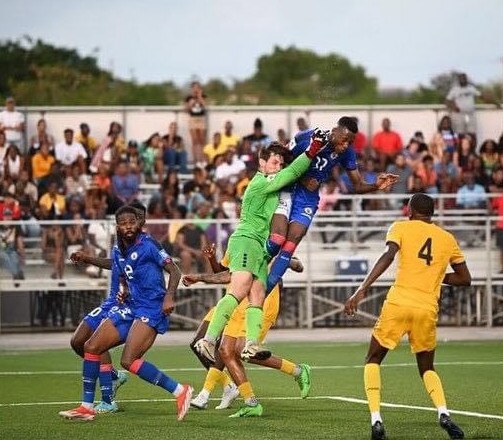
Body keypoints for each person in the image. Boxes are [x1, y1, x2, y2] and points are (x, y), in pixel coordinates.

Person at [344, 193, 471, 440]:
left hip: (399, 303)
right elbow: (465, 279)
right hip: (426, 309)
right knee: (426, 367)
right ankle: (443, 412)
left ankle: (376, 419)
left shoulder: (400, 227)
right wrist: (433, 274)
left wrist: (362, 290)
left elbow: (388, 255)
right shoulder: (447, 238)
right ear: (431, 213)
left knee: (373, 359)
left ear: (410, 211)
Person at [194, 138, 327, 368]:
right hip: (246, 241)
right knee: (237, 292)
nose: (278, 167)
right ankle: (207, 340)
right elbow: (293, 172)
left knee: (257, 297)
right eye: (274, 162)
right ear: (262, 163)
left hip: (258, 247)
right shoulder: (260, 182)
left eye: (280, 164)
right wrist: (312, 148)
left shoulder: (270, 186)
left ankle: (252, 343)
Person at [59, 205, 192, 421]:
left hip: (152, 307)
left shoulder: (148, 244)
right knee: (91, 346)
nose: (128, 226)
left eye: (131, 222)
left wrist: (169, 296)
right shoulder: (120, 249)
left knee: (128, 361)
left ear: (139, 223)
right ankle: (86, 407)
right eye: (123, 223)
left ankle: (180, 390)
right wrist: (89, 259)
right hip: (130, 306)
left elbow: (174, 270)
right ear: (118, 227)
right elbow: (117, 265)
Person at [264, 117, 397, 297]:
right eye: (344, 140)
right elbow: (281, 160)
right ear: (335, 131)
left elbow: (357, 185)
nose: (345, 146)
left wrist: (375, 186)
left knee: (294, 237)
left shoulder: (347, 152)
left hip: (308, 198)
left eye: (350, 143)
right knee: (277, 240)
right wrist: (302, 177)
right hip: (287, 188)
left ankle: (264, 291)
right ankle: (254, 271)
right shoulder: (307, 137)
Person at [183, 245, 311, 417]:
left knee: (244, 352)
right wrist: (211, 262)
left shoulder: (270, 242)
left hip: (262, 303)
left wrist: (285, 262)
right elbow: (226, 273)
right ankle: (245, 401)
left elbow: (299, 266)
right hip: (236, 300)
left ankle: (297, 371)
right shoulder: (239, 241)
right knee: (225, 350)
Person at [68, 250, 130, 412]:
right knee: (77, 341)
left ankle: (107, 400)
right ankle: (114, 376)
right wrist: (87, 258)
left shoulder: (141, 245)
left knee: (97, 344)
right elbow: (114, 263)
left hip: (125, 304)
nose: (125, 226)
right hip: (110, 301)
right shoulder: (119, 245)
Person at [184, 81, 208, 163]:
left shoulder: (203, 96)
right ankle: (195, 159)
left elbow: (205, 106)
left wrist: (200, 97)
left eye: (198, 87)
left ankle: (203, 158)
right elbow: (186, 110)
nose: (196, 89)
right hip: (193, 118)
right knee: (194, 140)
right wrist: (192, 102)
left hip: (201, 118)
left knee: (202, 140)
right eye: (194, 87)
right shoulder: (189, 98)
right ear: (192, 89)